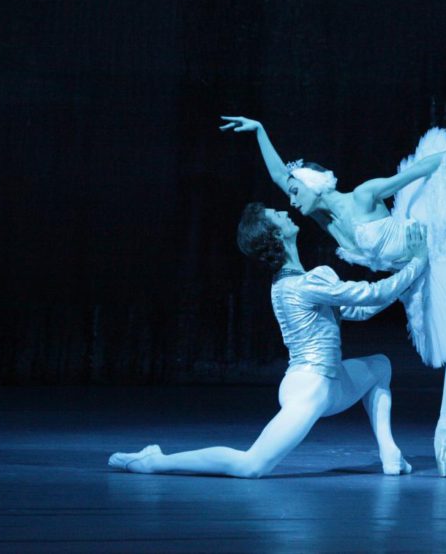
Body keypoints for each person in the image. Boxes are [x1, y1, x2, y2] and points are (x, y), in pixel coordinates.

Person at [219, 13, 446, 476]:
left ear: (313, 184)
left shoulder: (363, 195)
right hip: (407, 269)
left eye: (294, 190)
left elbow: (411, 174)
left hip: (424, 236)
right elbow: (278, 173)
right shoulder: (324, 218)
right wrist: (261, 130)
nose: (289, 196)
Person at [107, 204, 428, 478]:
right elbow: (373, 293)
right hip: (310, 387)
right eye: (274, 214)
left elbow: (359, 310)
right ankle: (155, 462)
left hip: (333, 384)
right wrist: (417, 262)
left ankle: (390, 453)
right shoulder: (301, 285)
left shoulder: (309, 280)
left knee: (380, 366)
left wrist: (405, 286)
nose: (281, 211)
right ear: (275, 234)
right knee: (252, 465)